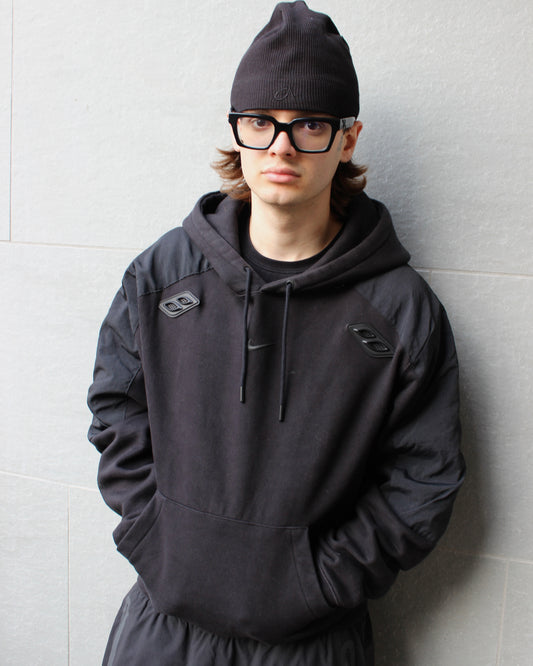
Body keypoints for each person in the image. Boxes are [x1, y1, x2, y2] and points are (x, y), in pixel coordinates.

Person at [87, 2, 465, 664]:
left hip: (310, 643)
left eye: (309, 124)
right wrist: (157, 538)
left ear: (347, 139)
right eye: (260, 121)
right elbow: (115, 409)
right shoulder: (163, 275)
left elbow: (422, 478)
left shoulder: (399, 310)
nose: (281, 147)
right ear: (235, 131)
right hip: (162, 630)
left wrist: (320, 583)